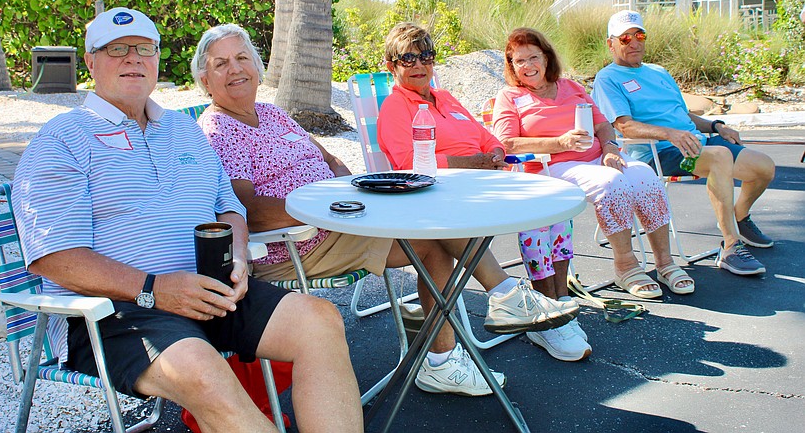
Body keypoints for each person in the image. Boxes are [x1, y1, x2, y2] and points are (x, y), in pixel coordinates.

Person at [12, 8, 363, 433]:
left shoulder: (183, 130)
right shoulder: (60, 139)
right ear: (90, 62)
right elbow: (54, 258)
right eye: (116, 50)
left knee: (320, 322)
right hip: (119, 311)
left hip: (209, 292)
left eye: (144, 49)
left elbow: (229, 207)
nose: (132, 59)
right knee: (205, 373)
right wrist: (154, 289)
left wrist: (237, 258)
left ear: (157, 59)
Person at [192, 23, 578, 397]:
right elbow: (246, 209)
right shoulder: (218, 130)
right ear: (205, 81)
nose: (236, 69)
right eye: (221, 63)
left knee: (435, 231)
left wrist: (348, 191)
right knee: (432, 235)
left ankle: (458, 345)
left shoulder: (272, 114)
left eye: (242, 57)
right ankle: (495, 308)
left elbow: (328, 159)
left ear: (258, 68)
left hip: (338, 221)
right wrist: (328, 207)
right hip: (294, 244)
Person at [376, 22, 591, 363]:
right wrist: (472, 162)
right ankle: (521, 305)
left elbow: (488, 137)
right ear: (392, 65)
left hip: (482, 183)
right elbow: (408, 163)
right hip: (443, 194)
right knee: (527, 218)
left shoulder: (446, 98)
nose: (419, 65)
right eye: (408, 58)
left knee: (548, 205)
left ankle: (555, 300)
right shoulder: (395, 107)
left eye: (425, 56)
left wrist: (493, 154)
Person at [491, 26, 694, 313]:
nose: (527, 66)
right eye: (519, 61)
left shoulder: (571, 87)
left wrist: (611, 149)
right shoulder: (509, 96)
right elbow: (507, 142)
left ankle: (665, 262)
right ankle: (625, 265)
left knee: (646, 177)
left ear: (546, 58)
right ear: (511, 65)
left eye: (533, 57)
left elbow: (602, 124)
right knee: (610, 183)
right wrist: (559, 143)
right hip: (552, 166)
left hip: (599, 157)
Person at [592, 10, 776, 276]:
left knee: (764, 167)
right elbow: (623, 125)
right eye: (624, 38)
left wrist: (716, 126)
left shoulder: (658, 72)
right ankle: (731, 247)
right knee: (720, 157)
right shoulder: (608, 78)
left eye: (639, 35)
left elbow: (683, 114)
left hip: (696, 142)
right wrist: (670, 134)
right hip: (659, 152)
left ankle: (739, 216)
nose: (633, 42)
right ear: (611, 44)